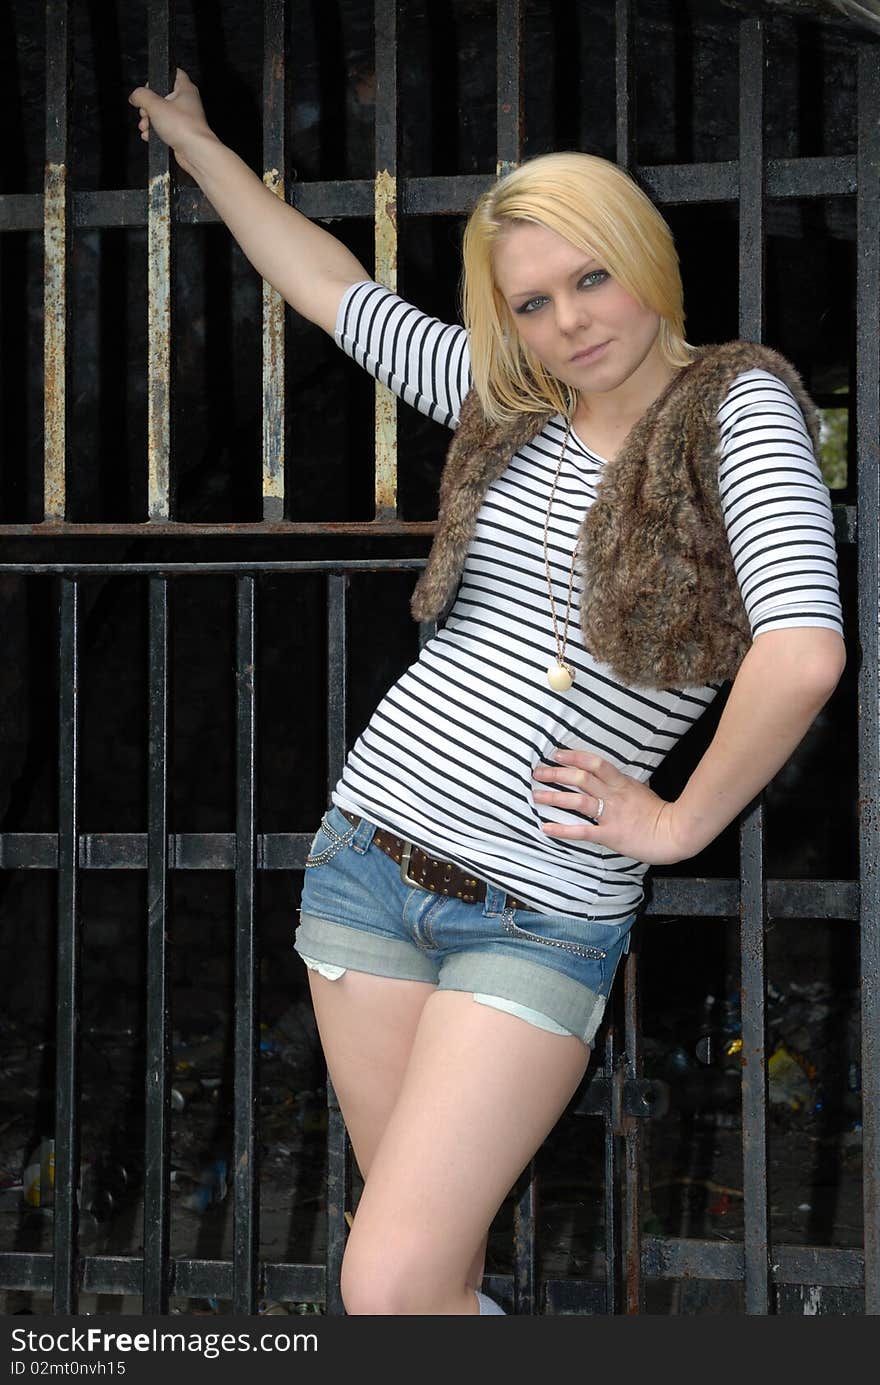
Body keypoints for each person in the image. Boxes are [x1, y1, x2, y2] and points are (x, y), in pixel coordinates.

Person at [129, 70, 846, 1316]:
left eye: (590, 276)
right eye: (532, 301)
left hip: (536, 905)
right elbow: (329, 288)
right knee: (435, 1278)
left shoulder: (736, 405)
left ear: (644, 260)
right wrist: (196, 147)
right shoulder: (504, 408)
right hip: (366, 862)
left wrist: (675, 823)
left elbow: (803, 646)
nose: (570, 320)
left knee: (389, 1283)